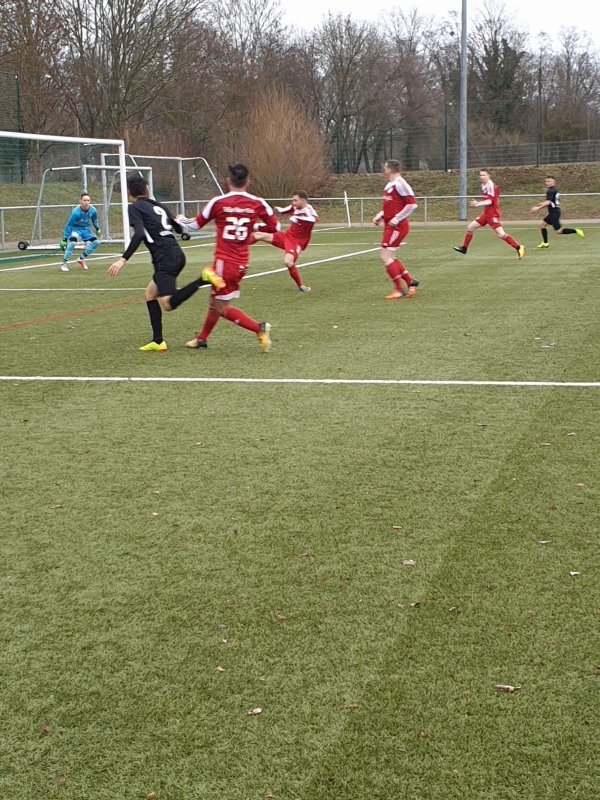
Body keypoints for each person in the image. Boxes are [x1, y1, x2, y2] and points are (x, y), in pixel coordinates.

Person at [108, 174, 225, 352]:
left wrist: (123, 259)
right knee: (150, 294)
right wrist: (178, 221)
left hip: (165, 257)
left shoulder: (134, 208)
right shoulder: (159, 206)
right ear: (147, 190)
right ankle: (158, 341)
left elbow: (139, 234)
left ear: (129, 193)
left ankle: (203, 279)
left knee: (168, 304)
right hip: (175, 253)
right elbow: (178, 228)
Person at [177, 164, 278, 353]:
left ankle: (259, 328)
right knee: (216, 301)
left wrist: (180, 219)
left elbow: (195, 225)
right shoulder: (258, 203)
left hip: (225, 262)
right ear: (248, 182)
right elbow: (275, 227)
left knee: (220, 307)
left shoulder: (219, 202)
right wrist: (252, 228)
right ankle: (202, 339)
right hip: (242, 262)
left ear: (228, 181)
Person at [372, 159, 420, 300]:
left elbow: (412, 205)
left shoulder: (400, 183)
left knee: (385, 256)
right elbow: (391, 206)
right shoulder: (389, 185)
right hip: (390, 226)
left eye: (385, 168)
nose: (383, 170)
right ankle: (410, 281)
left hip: (397, 227)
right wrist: (380, 215)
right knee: (390, 257)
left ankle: (399, 289)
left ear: (390, 170)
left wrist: (397, 218)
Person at [252, 191, 317, 292]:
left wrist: (298, 218)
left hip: (296, 242)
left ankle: (301, 286)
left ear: (303, 201)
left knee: (288, 262)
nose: (293, 202)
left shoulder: (309, 211)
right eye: (293, 200)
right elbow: (286, 210)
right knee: (259, 235)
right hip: (286, 236)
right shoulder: (295, 207)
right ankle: (236, 245)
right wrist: (279, 210)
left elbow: (313, 219)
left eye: (295, 200)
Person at [453, 169, 525, 259]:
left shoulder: (491, 186)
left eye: (484, 175)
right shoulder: (484, 185)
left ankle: (519, 247)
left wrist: (478, 204)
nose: (482, 177)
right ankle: (464, 248)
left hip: (492, 215)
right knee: (470, 227)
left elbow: (490, 201)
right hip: (486, 214)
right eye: (480, 175)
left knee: (501, 234)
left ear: (488, 176)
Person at [531, 176, 585, 248]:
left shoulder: (550, 191)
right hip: (553, 212)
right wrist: (542, 204)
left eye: (549, 181)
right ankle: (545, 243)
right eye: (546, 181)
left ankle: (576, 231)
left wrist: (538, 208)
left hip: (554, 213)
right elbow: (551, 201)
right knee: (542, 225)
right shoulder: (553, 190)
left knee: (558, 231)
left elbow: (548, 202)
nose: (547, 183)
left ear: (554, 182)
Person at [60, 193, 101, 272]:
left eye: (88, 200)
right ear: (80, 201)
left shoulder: (93, 210)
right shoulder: (75, 212)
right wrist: (64, 239)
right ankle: (64, 263)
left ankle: (81, 258)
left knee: (96, 242)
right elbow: (69, 225)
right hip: (75, 229)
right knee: (72, 243)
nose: (86, 202)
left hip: (86, 229)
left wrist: (97, 228)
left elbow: (95, 220)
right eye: (84, 200)